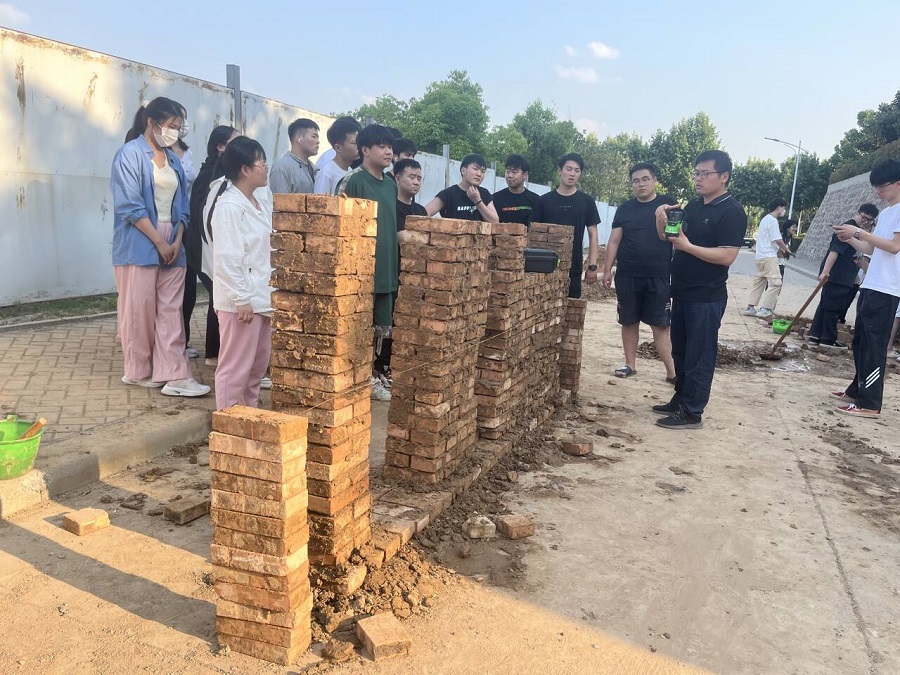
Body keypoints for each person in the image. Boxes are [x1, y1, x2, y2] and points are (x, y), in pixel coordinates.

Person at [109, 96, 210, 397]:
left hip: (172, 240)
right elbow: (129, 205)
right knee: (138, 311)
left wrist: (176, 240)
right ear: (152, 123)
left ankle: (175, 373)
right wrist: (158, 241)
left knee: (171, 310)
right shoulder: (129, 155)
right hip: (139, 241)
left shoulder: (174, 160)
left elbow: (183, 206)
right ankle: (138, 370)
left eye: (179, 127)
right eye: (171, 125)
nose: (175, 132)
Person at [652, 150, 747, 429]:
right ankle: (681, 399)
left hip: (706, 296)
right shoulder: (694, 206)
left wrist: (688, 246)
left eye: (705, 174)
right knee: (681, 351)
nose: (698, 179)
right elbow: (667, 237)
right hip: (682, 291)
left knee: (699, 355)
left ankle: (692, 411)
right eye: (696, 173)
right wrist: (660, 218)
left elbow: (727, 256)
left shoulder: (732, 211)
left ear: (724, 176)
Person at [202, 137, 273, 410]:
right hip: (240, 304)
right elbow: (227, 257)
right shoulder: (229, 207)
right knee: (235, 369)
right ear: (245, 169)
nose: (266, 168)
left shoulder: (258, 202)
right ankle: (228, 419)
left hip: (260, 298)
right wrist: (241, 298)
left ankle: (248, 417)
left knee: (255, 368)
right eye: (261, 163)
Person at [830, 159, 900, 418]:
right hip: (872, 284)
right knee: (860, 341)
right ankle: (857, 390)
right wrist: (851, 238)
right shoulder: (887, 213)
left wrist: (859, 232)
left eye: (882, 186)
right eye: (876, 187)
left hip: (887, 288)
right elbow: (871, 248)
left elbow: (894, 247)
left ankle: (870, 403)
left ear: (898, 183)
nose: (877, 191)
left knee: (873, 345)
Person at [602, 162, 677, 381]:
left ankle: (672, 373)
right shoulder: (625, 209)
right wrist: (607, 270)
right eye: (636, 181)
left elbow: (676, 237)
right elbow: (614, 241)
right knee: (628, 321)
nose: (641, 184)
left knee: (661, 325)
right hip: (627, 274)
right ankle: (630, 364)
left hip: (658, 275)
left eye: (645, 179)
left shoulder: (668, 204)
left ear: (655, 180)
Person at [341, 124, 398, 402]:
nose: (388, 151)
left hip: (386, 269)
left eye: (390, 146)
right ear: (365, 149)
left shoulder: (391, 185)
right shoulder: (353, 181)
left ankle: (371, 375)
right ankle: (357, 377)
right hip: (360, 272)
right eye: (382, 146)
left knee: (379, 329)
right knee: (358, 327)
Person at [183, 125, 238, 367]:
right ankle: (216, 354)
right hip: (203, 247)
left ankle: (216, 352)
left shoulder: (224, 174)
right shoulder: (209, 177)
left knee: (219, 297)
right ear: (220, 146)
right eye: (235, 142)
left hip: (209, 248)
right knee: (220, 297)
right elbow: (204, 219)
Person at [808, 204, 878, 348]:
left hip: (842, 275)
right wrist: (826, 271)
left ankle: (816, 335)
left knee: (826, 304)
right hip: (838, 275)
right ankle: (827, 339)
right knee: (833, 307)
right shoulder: (848, 229)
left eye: (869, 220)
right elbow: (834, 251)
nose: (865, 222)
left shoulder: (856, 230)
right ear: (857, 213)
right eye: (864, 218)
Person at [533, 153, 601, 298]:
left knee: (570, 307)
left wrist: (592, 266)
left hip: (573, 267)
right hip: (545, 266)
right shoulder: (543, 201)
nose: (572, 174)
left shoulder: (586, 201)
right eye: (568, 169)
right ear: (560, 170)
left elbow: (593, 234)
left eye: (577, 170)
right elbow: (534, 235)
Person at [741, 198, 789, 319]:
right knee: (776, 283)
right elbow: (777, 239)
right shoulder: (773, 220)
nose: (784, 210)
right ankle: (765, 309)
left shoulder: (765, 219)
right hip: (769, 256)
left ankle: (750, 307)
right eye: (783, 208)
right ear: (778, 207)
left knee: (759, 281)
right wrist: (786, 249)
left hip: (760, 256)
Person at [425, 153, 499, 222]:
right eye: (475, 169)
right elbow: (423, 214)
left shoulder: (484, 193)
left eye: (482, 171)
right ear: (463, 170)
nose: (479, 174)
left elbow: (495, 221)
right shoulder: (449, 194)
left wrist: (478, 201)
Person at [269, 118, 319, 194]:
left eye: (317, 138)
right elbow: (280, 200)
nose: (318, 141)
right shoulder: (282, 167)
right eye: (314, 137)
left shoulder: (314, 169)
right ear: (299, 138)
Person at [314, 117, 361, 195]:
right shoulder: (327, 173)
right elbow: (319, 201)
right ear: (338, 148)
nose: (359, 146)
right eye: (354, 143)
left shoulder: (350, 171)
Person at [493, 154, 541, 226]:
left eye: (514, 172)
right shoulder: (495, 198)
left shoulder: (536, 200)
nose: (510, 175)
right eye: (507, 171)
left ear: (525, 175)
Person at [395, 158, 427, 230]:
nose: (416, 182)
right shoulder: (391, 207)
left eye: (419, 179)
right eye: (412, 177)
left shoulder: (421, 210)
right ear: (398, 179)